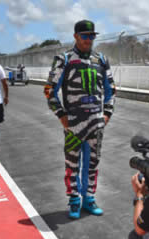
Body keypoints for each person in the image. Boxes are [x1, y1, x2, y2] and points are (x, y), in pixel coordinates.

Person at [44, 19, 116, 219]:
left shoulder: (101, 60)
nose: (88, 40)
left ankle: (89, 199)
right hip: (73, 126)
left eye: (92, 36)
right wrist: (62, 116)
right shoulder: (64, 59)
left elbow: (112, 91)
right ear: (76, 36)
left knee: (92, 165)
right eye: (85, 36)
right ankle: (74, 201)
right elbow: (49, 90)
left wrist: (107, 114)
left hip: (96, 126)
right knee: (72, 165)